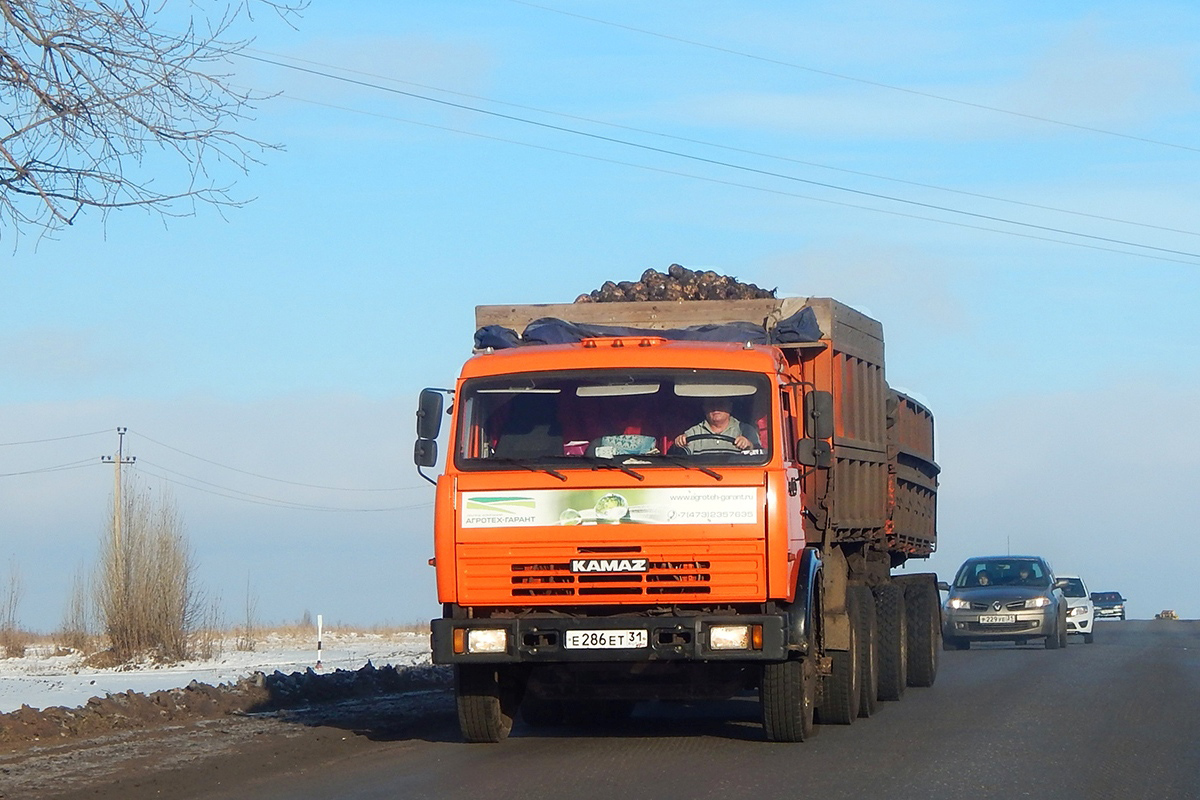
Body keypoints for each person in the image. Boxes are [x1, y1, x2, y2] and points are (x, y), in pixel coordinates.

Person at [673, 397, 760, 453]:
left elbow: (760, 455)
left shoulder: (746, 430)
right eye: (711, 404)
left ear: (730, 407)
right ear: (704, 408)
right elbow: (679, 460)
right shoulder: (693, 432)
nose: (716, 408)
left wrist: (749, 445)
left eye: (721, 403)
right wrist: (679, 443)